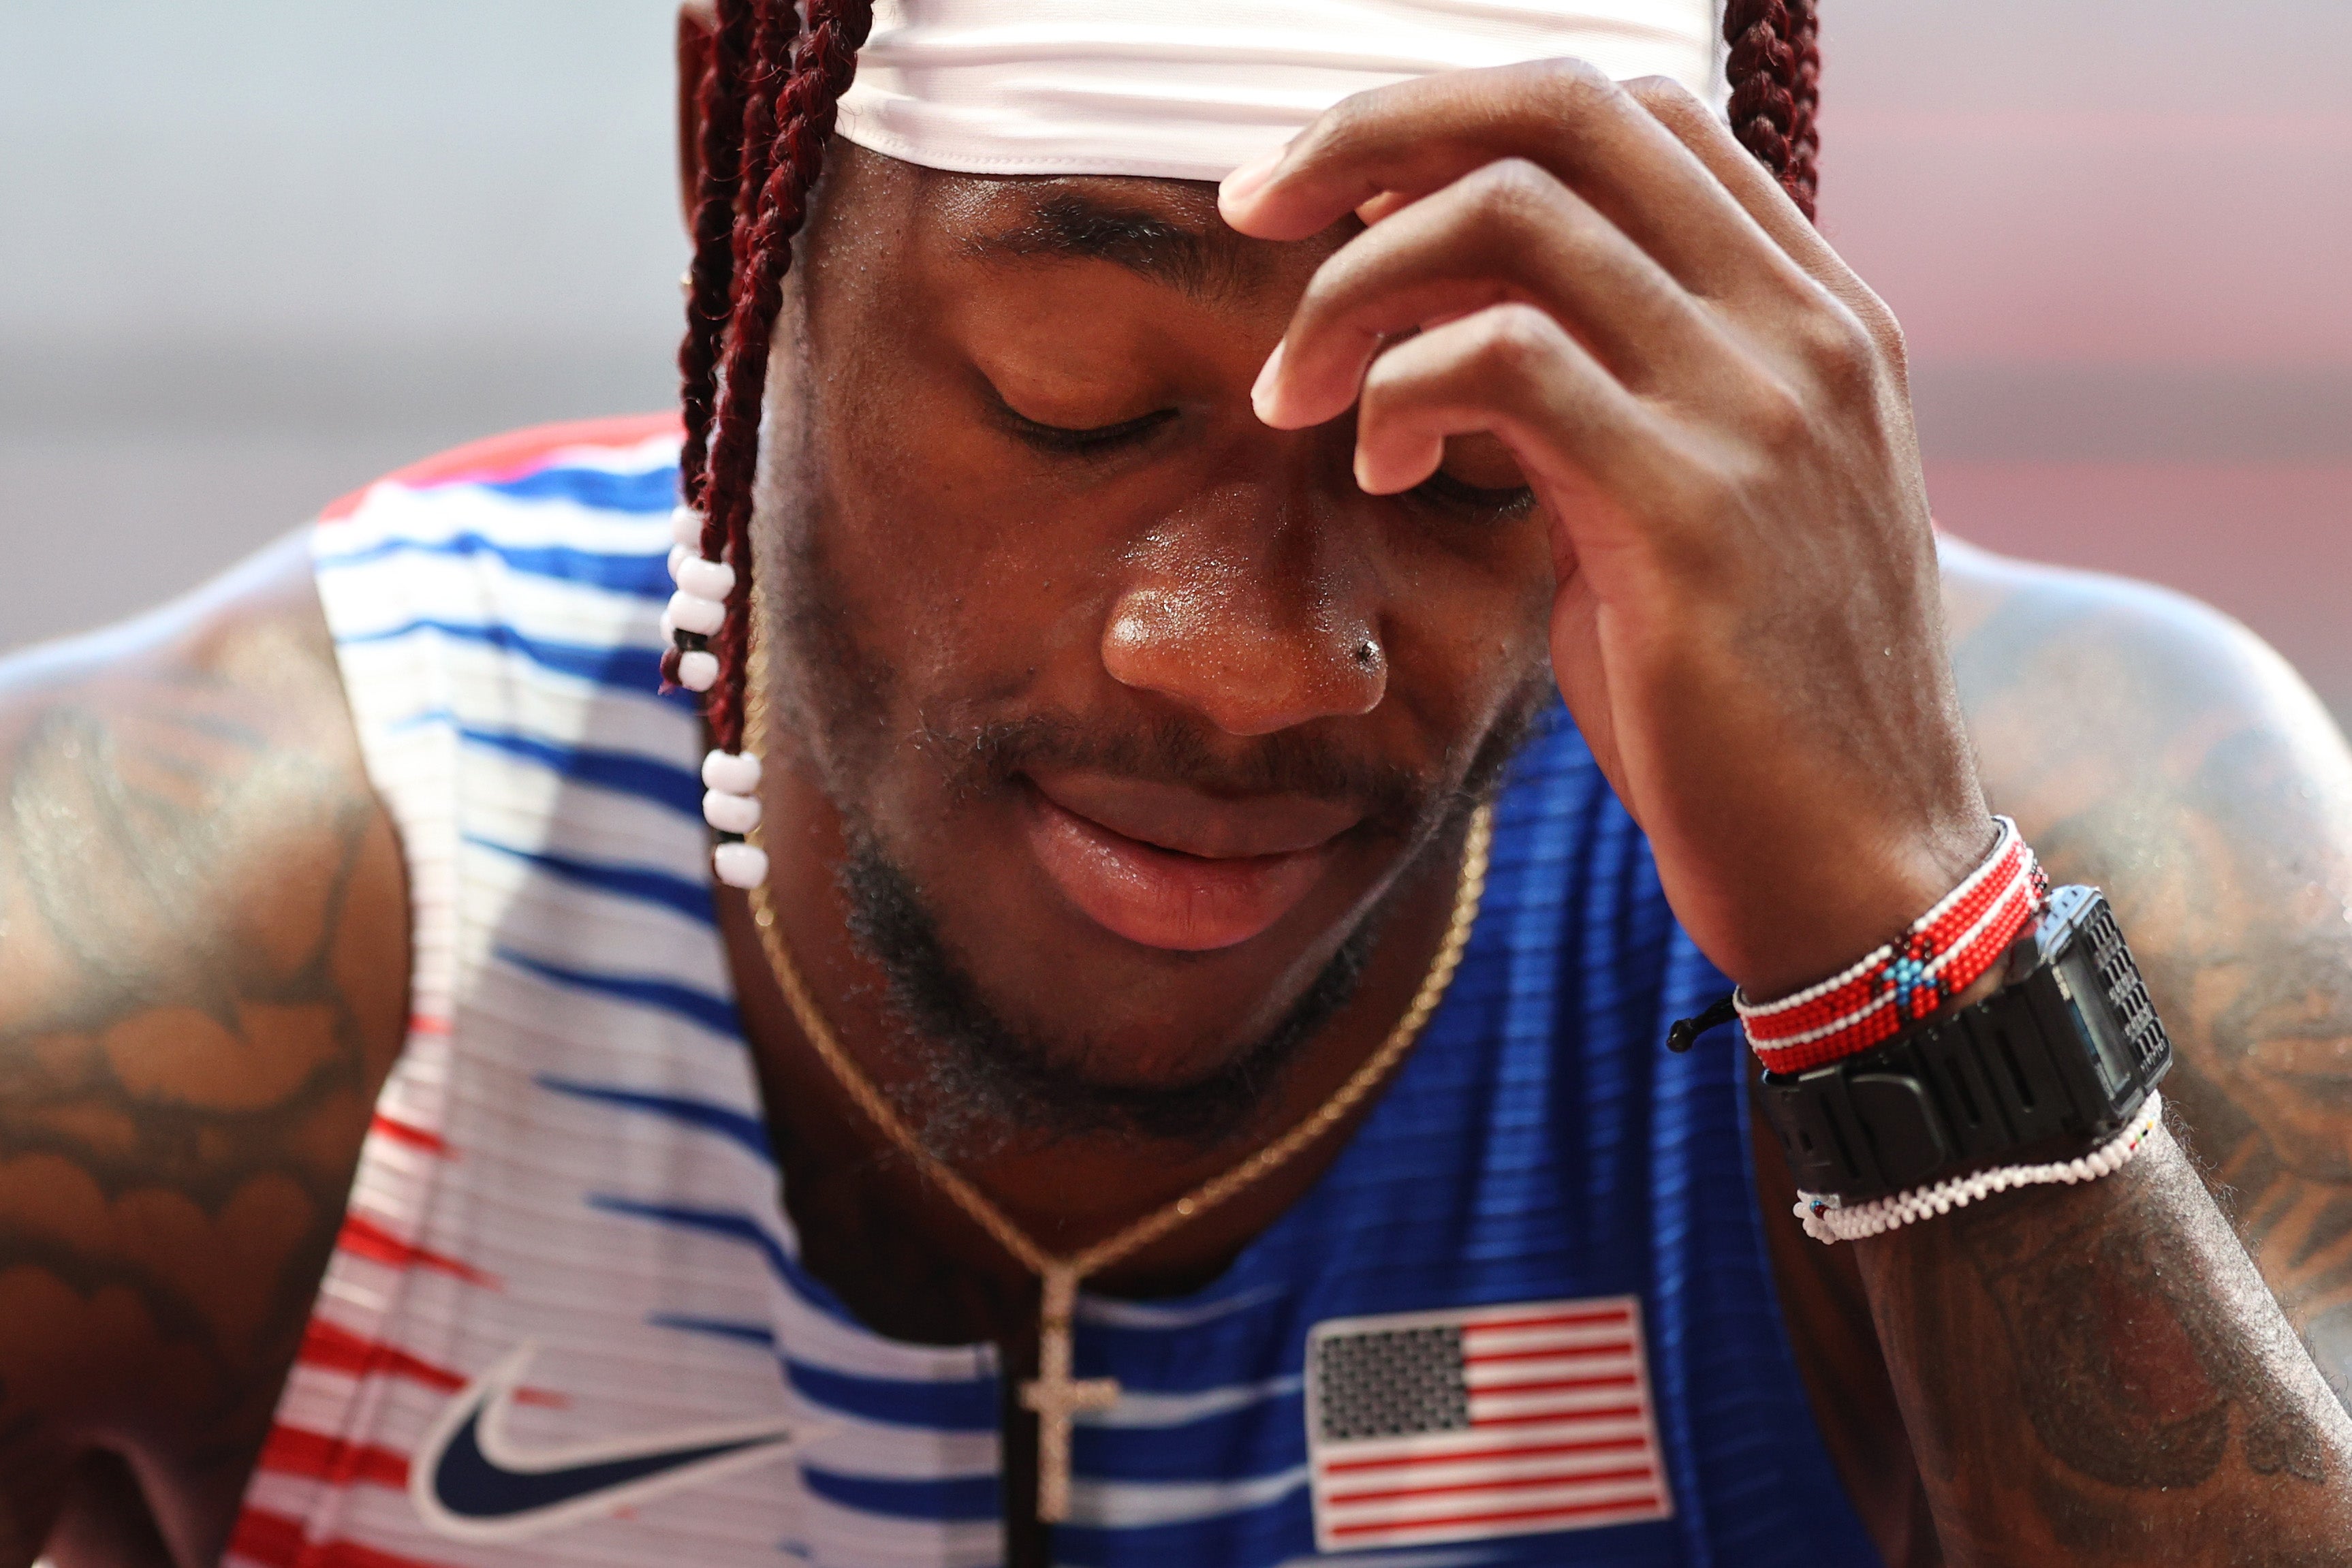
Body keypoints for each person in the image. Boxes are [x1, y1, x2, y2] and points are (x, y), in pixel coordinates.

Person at [5, 1, 2351, 1563]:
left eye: (1464, 458)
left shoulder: (2079, 844)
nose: (1241, 668)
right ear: (742, 162)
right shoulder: (194, 946)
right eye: (1080, 394)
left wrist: (1914, 979)